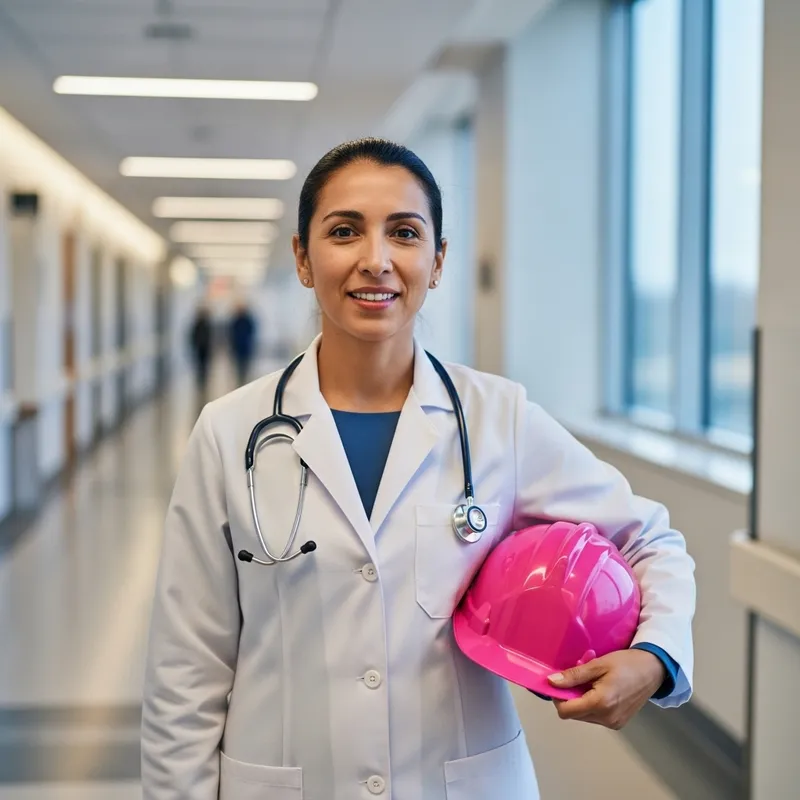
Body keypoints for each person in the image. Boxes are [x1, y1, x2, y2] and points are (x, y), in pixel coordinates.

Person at [141, 138, 696, 799]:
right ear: (302, 258)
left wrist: (655, 657)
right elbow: (185, 672)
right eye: (344, 231)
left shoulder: (500, 420)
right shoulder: (230, 432)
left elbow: (649, 538)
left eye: (404, 233)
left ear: (436, 262)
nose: (375, 260)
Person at [228, 300, 257, 386]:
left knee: (245, 364)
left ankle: (244, 378)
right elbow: (231, 333)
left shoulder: (247, 320)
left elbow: (251, 331)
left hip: (246, 346)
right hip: (237, 347)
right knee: (238, 364)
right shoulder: (235, 321)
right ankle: (240, 378)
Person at [188, 303, 213, 395]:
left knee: (204, 364)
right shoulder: (198, 324)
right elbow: (193, 336)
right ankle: (201, 378)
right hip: (200, 348)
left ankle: (203, 378)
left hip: (205, 348)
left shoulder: (206, 324)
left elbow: (210, 336)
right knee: (200, 364)